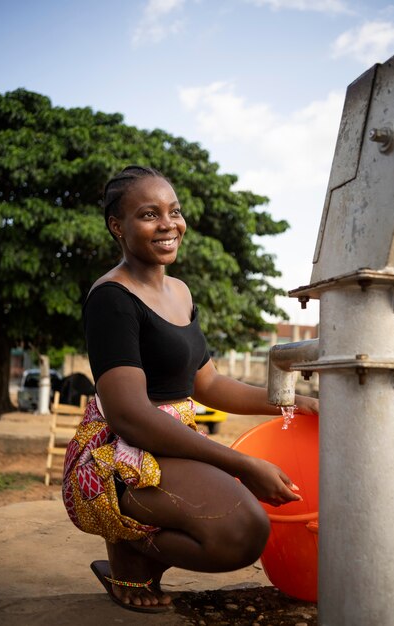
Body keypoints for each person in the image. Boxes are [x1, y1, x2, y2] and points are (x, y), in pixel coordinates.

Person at [62, 165, 319, 613]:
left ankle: (137, 550)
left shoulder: (180, 291)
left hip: (171, 442)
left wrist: (291, 401)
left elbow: (209, 383)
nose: (168, 224)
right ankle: (129, 549)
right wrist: (244, 464)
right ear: (117, 227)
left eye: (174, 211)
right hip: (120, 454)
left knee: (246, 531)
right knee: (241, 532)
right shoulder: (111, 299)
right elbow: (130, 417)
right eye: (148, 214)